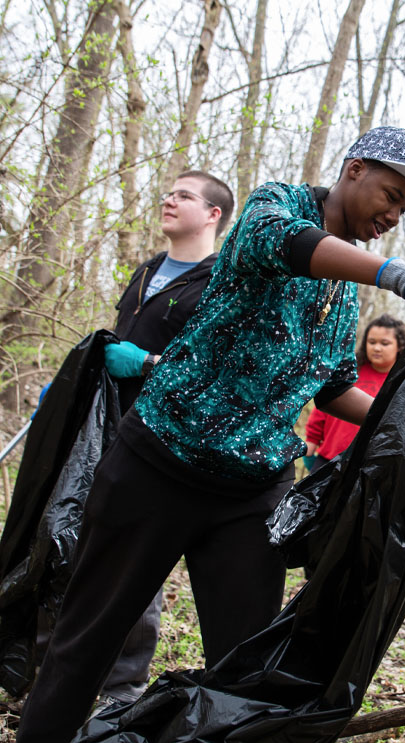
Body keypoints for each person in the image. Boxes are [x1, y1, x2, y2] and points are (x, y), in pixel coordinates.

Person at [14, 125, 405, 743]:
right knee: (95, 622)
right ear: (355, 171)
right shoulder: (277, 206)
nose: (393, 216)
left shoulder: (343, 295)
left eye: (403, 210)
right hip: (160, 461)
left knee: (248, 656)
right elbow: (284, 245)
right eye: (391, 194)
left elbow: (332, 387)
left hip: (252, 492)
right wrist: (399, 277)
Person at [93, 170, 234, 711]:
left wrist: (148, 364)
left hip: (168, 444)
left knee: (138, 563)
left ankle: (121, 690)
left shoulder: (220, 281)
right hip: (110, 427)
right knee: (86, 549)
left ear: (214, 214)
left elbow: (216, 370)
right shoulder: (148, 268)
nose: (168, 200)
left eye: (183, 195)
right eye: (168, 192)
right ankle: (54, 667)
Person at [304, 313, 405, 472]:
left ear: (399, 346)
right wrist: (311, 441)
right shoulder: (351, 371)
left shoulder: (403, 382)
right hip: (328, 460)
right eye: (371, 342)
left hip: (369, 468)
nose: (376, 348)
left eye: (385, 343)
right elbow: (324, 407)